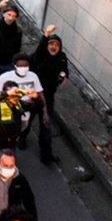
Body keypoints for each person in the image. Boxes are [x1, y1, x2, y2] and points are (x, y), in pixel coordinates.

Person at [30, 25, 68, 164]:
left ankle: (46, 154)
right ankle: (22, 138)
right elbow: (39, 51)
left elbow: (64, 70)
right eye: (51, 43)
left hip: (48, 97)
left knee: (46, 126)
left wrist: (65, 76)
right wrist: (46, 34)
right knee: (27, 120)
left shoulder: (62, 57)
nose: (53, 47)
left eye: (57, 45)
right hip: (34, 95)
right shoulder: (40, 56)